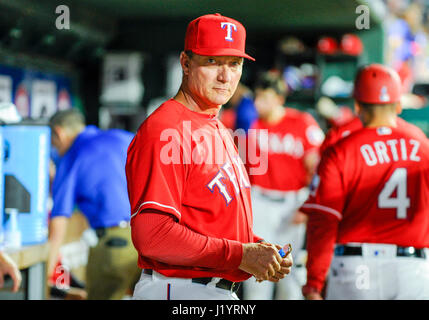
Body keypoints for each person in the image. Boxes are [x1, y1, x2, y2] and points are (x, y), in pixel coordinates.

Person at [126, 13, 293, 300]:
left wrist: (257, 250)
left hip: (209, 288)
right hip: (178, 289)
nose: (225, 76)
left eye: (234, 64)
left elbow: (207, 224)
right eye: (212, 61)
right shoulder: (167, 128)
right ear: (185, 63)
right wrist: (240, 254)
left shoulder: (214, 125)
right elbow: (152, 236)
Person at [300, 64, 429, 300]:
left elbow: (324, 221)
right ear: (399, 104)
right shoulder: (422, 145)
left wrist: (314, 282)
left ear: (358, 105)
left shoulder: (341, 148)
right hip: (412, 268)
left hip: (356, 269)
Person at [243, 70, 324, 300]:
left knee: (289, 274)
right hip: (259, 201)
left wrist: (309, 203)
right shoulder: (251, 124)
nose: (260, 103)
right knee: (257, 274)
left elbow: (319, 166)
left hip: (293, 202)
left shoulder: (301, 122)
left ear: (280, 98)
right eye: (258, 97)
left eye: (266, 97)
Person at [48, 109, 140, 300]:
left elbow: (59, 224)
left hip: (115, 245)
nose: (56, 150)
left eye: (54, 144)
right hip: (150, 239)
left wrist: (45, 278)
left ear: (59, 132)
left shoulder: (72, 157)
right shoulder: (124, 138)